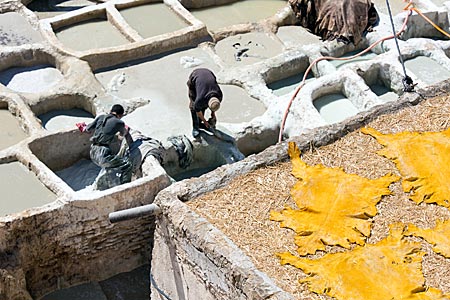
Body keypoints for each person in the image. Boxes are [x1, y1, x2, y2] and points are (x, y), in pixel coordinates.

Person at [81, 104, 133, 190]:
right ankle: (125, 188)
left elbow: (87, 129)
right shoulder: (119, 122)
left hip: (93, 152)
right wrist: (125, 130)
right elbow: (123, 134)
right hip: (102, 154)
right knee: (127, 165)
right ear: (120, 115)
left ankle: (105, 185)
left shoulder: (100, 117)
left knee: (111, 167)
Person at [187, 68, 223, 138]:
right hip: (195, 76)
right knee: (194, 107)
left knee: (202, 106)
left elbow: (214, 105)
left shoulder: (219, 95)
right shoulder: (200, 99)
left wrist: (213, 114)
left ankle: (199, 122)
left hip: (209, 73)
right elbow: (198, 111)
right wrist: (205, 121)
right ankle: (196, 127)